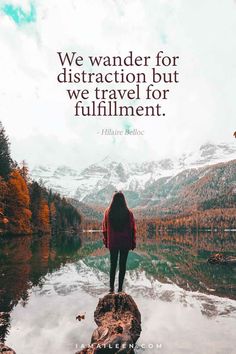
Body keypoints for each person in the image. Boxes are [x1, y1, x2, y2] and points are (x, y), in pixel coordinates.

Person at [102, 191, 136, 293]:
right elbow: (132, 229)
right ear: (123, 200)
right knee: (122, 265)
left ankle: (111, 288)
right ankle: (120, 289)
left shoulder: (108, 212)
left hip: (113, 242)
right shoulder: (128, 213)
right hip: (125, 243)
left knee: (113, 265)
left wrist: (106, 241)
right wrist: (133, 242)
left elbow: (104, 229)